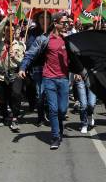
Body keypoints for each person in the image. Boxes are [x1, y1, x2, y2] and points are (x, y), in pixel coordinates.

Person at [19, 12, 69, 150]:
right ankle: (55, 136)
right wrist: (23, 67)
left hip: (64, 79)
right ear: (56, 23)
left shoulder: (69, 39)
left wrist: (81, 72)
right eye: (64, 22)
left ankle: (59, 128)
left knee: (62, 110)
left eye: (67, 22)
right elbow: (31, 53)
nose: (67, 25)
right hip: (49, 78)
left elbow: (78, 57)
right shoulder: (44, 38)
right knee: (53, 109)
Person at [0, 15, 25, 131]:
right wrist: (7, 18)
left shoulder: (20, 45)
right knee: (2, 98)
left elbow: (23, 61)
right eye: (7, 31)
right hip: (2, 75)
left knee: (16, 95)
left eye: (11, 30)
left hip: (15, 73)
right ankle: (5, 116)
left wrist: (14, 57)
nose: (9, 32)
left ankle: (15, 118)